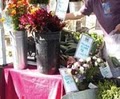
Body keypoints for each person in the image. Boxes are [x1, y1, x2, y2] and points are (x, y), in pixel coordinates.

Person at [65, 0, 120, 74]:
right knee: (113, 70)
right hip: (109, 40)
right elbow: (79, 14)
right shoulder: (92, 1)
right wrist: (62, 16)